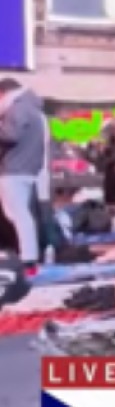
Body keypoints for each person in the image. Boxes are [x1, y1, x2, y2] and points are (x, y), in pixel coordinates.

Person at [0, 79, 48, 274]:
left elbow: (11, 135)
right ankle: (28, 256)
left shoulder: (17, 108)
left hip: (15, 168)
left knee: (18, 214)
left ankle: (28, 259)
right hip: (27, 168)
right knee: (20, 214)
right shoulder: (33, 109)